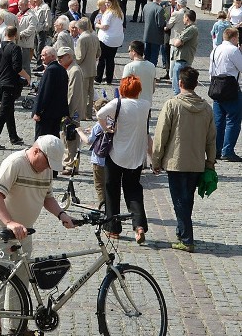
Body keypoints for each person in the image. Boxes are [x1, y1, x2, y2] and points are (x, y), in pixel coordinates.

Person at [0, 135, 73, 336]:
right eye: (47, 163)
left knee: (21, 279)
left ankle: (17, 326)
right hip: (0, 229)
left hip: (24, 232)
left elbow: (47, 197)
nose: (48, 168)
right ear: (36, 152)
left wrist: (62, 215)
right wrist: (9, 222)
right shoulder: (15, 163)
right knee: (0, 275)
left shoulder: (47, 169)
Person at [152, 66, 217, 253]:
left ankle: (187, 239)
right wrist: (210, 162)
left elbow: (161, 135)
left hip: (177, 161)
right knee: (187, 200)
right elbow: (211, 139)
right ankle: (182, 233)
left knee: (180, 201)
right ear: (196, 84)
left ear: (180, 83)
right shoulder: (206, 108)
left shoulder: (172, 105)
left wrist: (156, 160)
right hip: (196, 163)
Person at [97, 75, 151, 243]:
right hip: (135, 155)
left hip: (116, 153)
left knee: (112, 189)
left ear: (122, 89)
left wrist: (108, 128)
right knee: (134, 190)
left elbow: (99, 114)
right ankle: (139, 225)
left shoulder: (117, 103)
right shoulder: (145, 105)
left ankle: (113, 229)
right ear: (139, 90)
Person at [0, 26, 30, 149]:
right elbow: (17, 67)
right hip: (9, 84)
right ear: (15, 35)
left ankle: (13, 136)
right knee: (3, 111)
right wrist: (27, 76)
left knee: (9, 109)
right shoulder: (15, 48)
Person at [208, 27, 242, 162]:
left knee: (218, 120)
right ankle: (227, 150)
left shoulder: (215, 49)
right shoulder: (233, 50)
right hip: (230, 86)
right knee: (233, 119)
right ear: (234, 38)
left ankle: (216, 149)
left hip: (216, 86)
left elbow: (211, 70)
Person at [77, 97, 111, 206]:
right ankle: (111, 205)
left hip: (98, 159)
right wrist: (91, 130)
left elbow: (88, 141)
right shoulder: (111, 121)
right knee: (109, 184)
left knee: (99, 185)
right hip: (110, 159)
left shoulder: (98, 125)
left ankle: (103, 206)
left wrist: (79, 131)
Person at [32, 46, 68, 140]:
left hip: (47, 114)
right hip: (57, 113)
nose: (41, 57)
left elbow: (44, 93)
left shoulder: (50, 70)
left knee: (41, 140)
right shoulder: (62, 69)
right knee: (54, 139)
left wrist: (37, 112)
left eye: (44, 55)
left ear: (52, 56)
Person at [58, 47, 84, 174]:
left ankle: (71, 165)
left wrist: (69, 112)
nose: (59, 59)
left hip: (73, 111)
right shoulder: (69, 69)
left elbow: (73, 94)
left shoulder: (74, 71)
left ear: (69, 56)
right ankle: (67, 161)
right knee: (66, 137)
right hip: (69, 110)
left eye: (62, 57)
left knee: (71, 138)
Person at [96, 0, 125, 85]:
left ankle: (98, 78)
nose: (106, 4)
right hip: (117, 39)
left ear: (113, 3)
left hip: (106, 39)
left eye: (108, 3)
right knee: (110, 59)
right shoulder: (120, 12)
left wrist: (97, 25)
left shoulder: (109, 13)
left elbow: (105, 27)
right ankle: (109, 79)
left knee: (102, 59)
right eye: (106, 2)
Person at [74, 17, 100, 115]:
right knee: (91, 92)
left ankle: (83, 113)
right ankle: (89, 113)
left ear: (79, 28)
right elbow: (98, 53)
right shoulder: (94, 36)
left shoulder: (82, 39)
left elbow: (80, 57)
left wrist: (73, 61)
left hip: (83, 70)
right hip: (92, 68)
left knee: (83, 93)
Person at [169, 9, 198, 95]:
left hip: (183, 60)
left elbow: (177, 43)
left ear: (187, 18)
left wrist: (175, 41)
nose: (183, 20)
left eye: (183, 18)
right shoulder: (188, 28)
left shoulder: (191, 29)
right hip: (180, 59)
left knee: (178, 86)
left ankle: (178, 99)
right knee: (176, 83)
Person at [122, 40, 157, 109]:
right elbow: (153, 88)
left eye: (129, 51)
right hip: (147, 105)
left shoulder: (129, 67)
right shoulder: (152, 66)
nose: (128, 53)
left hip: (132, 105)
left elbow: (124, 88)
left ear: (134, 52)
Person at [142, 0, 166, 66]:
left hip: (147, 34)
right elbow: (161, 24)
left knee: (146, 55)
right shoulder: (159, 9)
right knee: (154, 56)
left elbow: (144, 18)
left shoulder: (146, 6)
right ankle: (151, 73)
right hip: (156, 36)